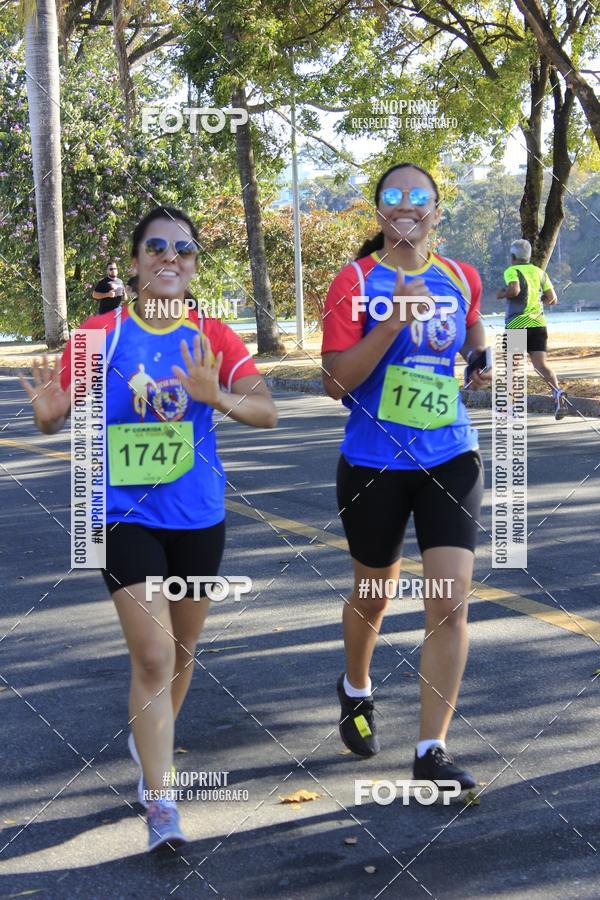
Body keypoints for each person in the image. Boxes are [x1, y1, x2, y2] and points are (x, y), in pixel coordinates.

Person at [20, 206, 278, 851]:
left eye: (183, 249)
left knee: (182, 651)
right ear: (135, 263)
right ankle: (161, 803)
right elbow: (54, 414)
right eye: (156, 247)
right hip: (119, 514)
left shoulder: (213, 335)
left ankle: (150, 742)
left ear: (193, 266)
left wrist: (216, 395)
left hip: (198, 516)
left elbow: (266, 412)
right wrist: (48, 414)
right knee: (155, 655)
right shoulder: (99, 335)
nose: (170, 257)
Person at [321, 162, 491, 791]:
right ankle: (355, 687)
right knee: (375, 593)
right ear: (379, 210)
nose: (407, 204)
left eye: (420, 196)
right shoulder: (355, 281)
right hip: (375, 465)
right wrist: (392, 320)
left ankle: (431, 750)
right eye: (393, 194)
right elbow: (334, 381)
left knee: (448, 602)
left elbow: (472, 323)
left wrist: (480, 355)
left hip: (450, 456)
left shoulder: (459, 275)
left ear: (436, 211)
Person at [496, 239, 567, 420]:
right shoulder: (540, 273)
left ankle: (512, 408)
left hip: (516, 325)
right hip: (538, 325)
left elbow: (514, 290)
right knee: (541, 366)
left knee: (512, 368)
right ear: (528, 256)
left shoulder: (512, 271)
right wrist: (538, 300)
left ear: (513, 257)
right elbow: (552, 298)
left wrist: (502, 294)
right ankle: (557, 392)